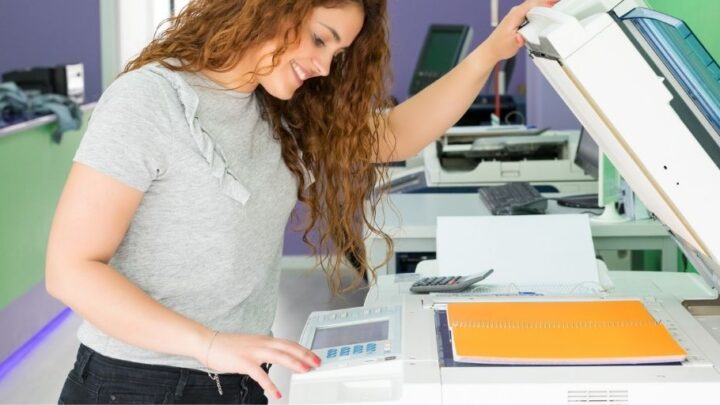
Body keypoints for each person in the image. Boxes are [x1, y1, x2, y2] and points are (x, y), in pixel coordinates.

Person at [46, 0, 556, 403]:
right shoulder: (150, 99)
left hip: (241, 377)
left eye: (335, 55)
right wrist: (209, 344)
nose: (321, 66)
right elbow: (69, 269)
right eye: (318, 39)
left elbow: (395, 135)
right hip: (135, 385)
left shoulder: (277, 113)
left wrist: (491, 51)